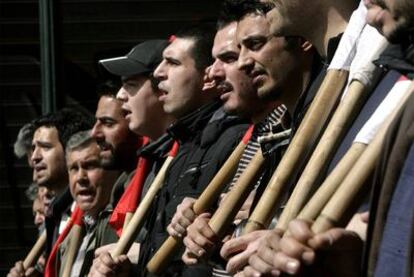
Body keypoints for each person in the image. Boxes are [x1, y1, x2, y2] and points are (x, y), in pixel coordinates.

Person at [173, 1, 319, 275]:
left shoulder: (325, 119)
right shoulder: (265, 133)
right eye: (237, 53)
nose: (243, 63)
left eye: (254, 44)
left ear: (301, 40)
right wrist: (210, 225)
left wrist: (278, 226)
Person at [134, 24, 249, 277]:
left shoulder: (237, 139)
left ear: (206, 78)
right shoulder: (183, 146)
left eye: (172, 63)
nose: (157, 73)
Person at [8, 109, 94, 277]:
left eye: (45, 147)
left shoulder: (91, 210)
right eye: (33, 148)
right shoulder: (55, 214)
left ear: (71, 150)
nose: (34, 157)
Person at [50, 131, 120, 277]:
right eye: (74, 168)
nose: (81, 177)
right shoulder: (67, 243)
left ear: (112, 169)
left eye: (90, 166)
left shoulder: (123, 226)